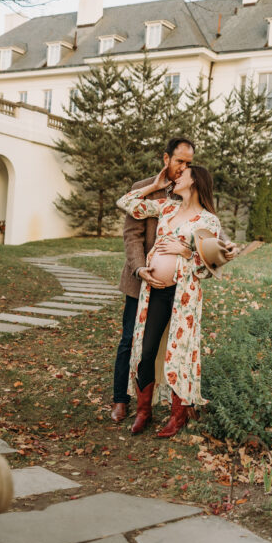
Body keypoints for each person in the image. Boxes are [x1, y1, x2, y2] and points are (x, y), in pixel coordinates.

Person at [115, 164, 223, 438]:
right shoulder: (167, 207)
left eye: (182, 175)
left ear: (195, 181)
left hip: (183, 297)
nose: (176, 178)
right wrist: (152, 186)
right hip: (155, 291)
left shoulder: (208, 221)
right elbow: (126, 202)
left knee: (179, 354)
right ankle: (143, 412)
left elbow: (209, 267)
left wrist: (185, 251)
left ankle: (178, 415)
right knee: (146, 350)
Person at [110, 137, 195, 423]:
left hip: (178, 287)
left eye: (189, 163)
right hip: (141, 282)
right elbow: (132, 236)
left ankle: (180, 402)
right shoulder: (143, 190)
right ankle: (121, 398)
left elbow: (203, 231)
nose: (183, 167)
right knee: (129, 340)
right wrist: (139, 269)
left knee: (173, 344)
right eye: (179, 161)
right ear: (166, 159)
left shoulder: (190, 191)